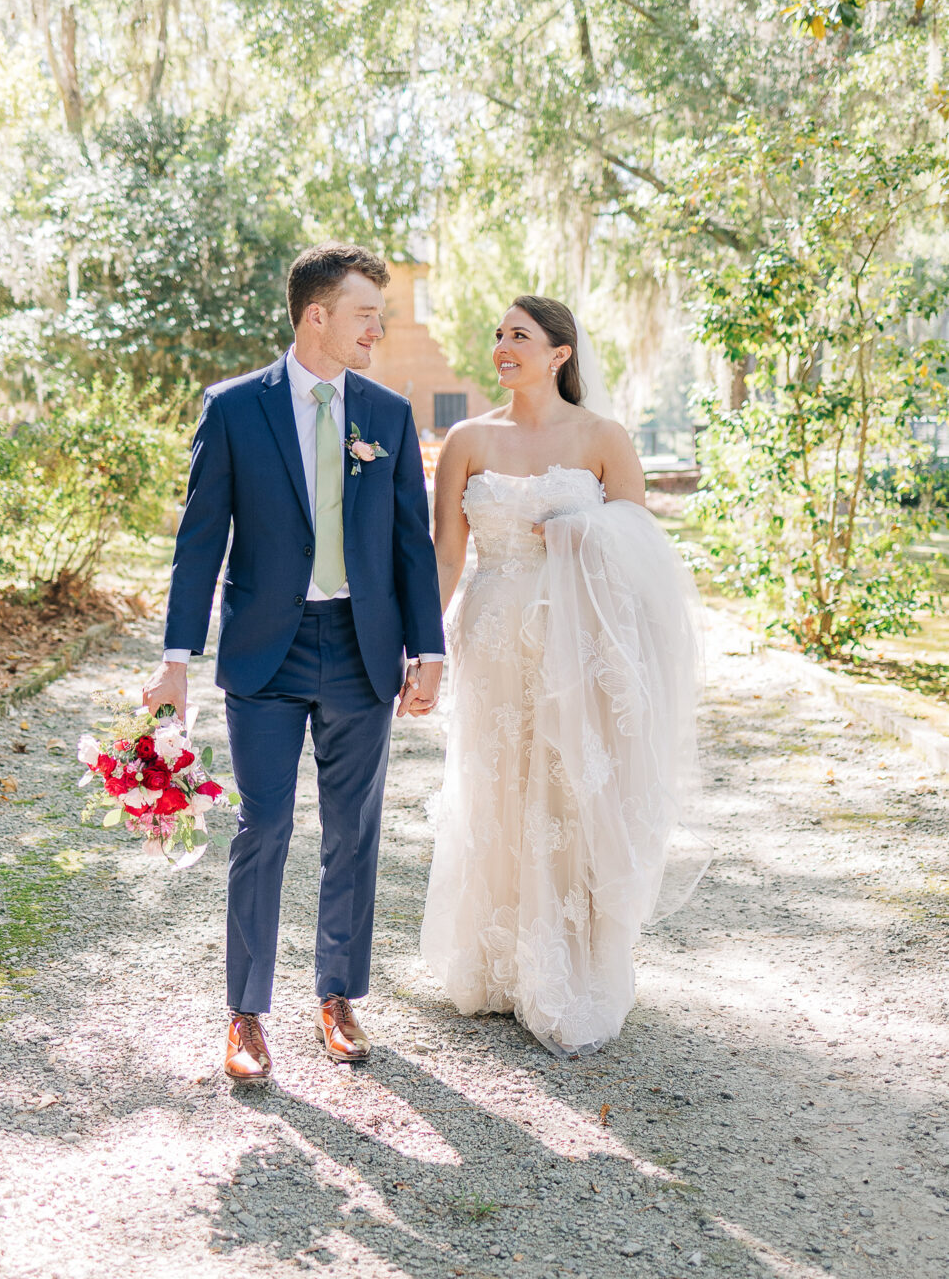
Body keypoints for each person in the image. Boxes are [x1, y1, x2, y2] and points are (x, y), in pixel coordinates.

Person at [143, 244, 445, 1083]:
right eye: (363, 315)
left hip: (361, 649)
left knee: (353, 832)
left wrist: (428, 648)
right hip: (264, 653)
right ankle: (245, 1016)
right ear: (316, 316)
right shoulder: (235, 408)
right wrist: (176, 659)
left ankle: (337, 998)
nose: (376, 331)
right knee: (263, 828)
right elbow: (198, 541)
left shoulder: (385, 414)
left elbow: (410, 546)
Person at [420, 295, 706, 1053]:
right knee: (496, 786)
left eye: (520, 335)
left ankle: (566, 966)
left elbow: (640, 550)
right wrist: (423, 644)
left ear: (559, 354)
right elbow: (446, 553)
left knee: (566, 791)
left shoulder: (602, 438)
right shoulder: (466, 439)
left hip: (573, 644)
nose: (503, 346)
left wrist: (583, 530)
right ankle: (495, 963)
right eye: (498, 335)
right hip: (489, 635)